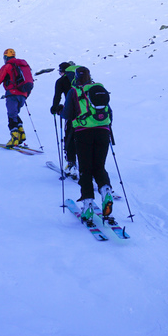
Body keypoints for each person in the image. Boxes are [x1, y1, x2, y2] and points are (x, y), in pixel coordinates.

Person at [64, 66, 113, 223]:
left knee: (85, 169)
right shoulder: (100, 88)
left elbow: (67, 114)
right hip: (103, 131)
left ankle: (88, 204)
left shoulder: (74, 91)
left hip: (83, 132)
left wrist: (58, 110)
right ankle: (106, 190)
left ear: (76, 77)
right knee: (99, 167)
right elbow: (109, 112)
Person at [0, 48, 31, 147]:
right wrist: (26, 94)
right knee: (15, 114)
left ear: (5, 57)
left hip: (12, 94)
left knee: (11, 116)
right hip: (23, 94)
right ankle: (21, 134)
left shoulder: (7, 66)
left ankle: (14, 138)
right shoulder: (22, 66)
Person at [51, 61, 79, 177]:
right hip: (87, 114)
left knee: (69, 137)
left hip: (72, 114)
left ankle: (71, 164)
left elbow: (57, 96)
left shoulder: (61, 81)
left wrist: (55, 108)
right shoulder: (81, 79)